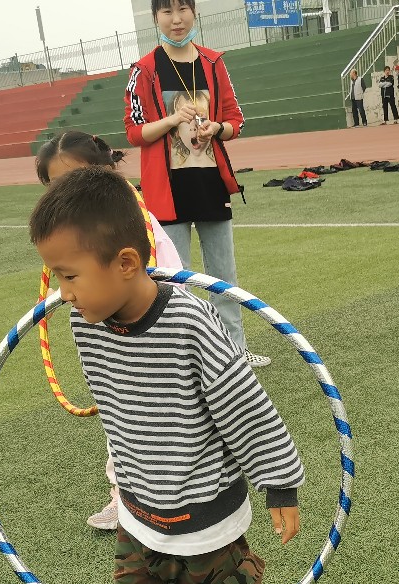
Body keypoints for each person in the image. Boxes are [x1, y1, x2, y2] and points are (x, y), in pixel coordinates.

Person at [32, 167, 324, 584]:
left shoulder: (190, 323)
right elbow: (122, 411)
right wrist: (127, 481)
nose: (62, 293)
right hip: (141, 513)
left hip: (205, 514)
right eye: (56, 277)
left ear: (127, 262)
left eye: (70, 276)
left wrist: (280, 484)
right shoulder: (86, 324)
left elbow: (244, 407)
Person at [34, 131, 184, 533]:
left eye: (74, 180)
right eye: (55, 186)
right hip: (112, 344)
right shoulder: (68, 241)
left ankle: (180, 494)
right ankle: (125, 495)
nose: (66, 195)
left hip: (157, 344)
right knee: (121, 418)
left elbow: (172, 287)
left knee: (168, 423)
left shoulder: (138, 228)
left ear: (104, 177)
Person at [124, 0, 272, 368]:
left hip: (210, 184)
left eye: (183, 9)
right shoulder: (144, 70)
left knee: (224, 276)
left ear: (195, 12)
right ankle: (185, 362)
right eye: (167, 12)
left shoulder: (213, 62)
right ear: (155, 18)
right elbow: (134, 132)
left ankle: (235, 354)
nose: (176, 20)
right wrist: (173, 119)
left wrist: (217, 128)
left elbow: (236, 120)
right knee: (176, 284)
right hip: (167, 191)